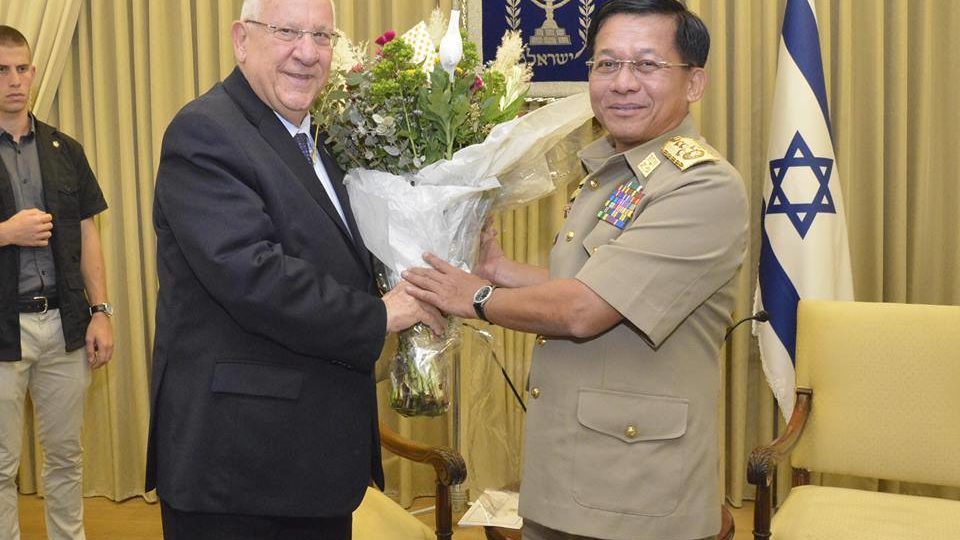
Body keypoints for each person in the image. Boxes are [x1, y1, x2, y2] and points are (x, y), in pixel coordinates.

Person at [403, 1, 748, 539]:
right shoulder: (615, 172)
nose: (622, 83)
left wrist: (475, 297)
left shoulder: (700, 185)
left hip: (635, 493)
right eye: (606, 64)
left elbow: (586, 310)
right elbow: (596, 282)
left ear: (694, 83)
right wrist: (501, 270)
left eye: (647, 65)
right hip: (568, 471)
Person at [146, 0, 444, 538]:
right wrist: (382, 315)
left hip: (309, 464)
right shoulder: (205, 133)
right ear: (241, 40)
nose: (307, 54)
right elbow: (254, 278)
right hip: (240, 468)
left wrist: (426, 258)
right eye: (286, 32)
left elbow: (340, 252)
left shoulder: (323, 138)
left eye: (322, 37)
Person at [0, 25, 114, 540]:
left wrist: (102, 311)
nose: (14, 81)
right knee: (1, 469)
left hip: (64, 326)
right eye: (2, 71)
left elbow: (87, 233)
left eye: (22, 68)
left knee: (66, 461)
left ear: (33, 73)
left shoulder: (65, 148)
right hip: (3, 331)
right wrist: (6, 232)